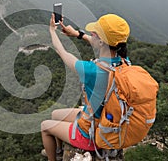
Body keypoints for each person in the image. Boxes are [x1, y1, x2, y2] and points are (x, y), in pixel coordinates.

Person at [41, 13, 130, 161]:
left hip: (91, 134)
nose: (91, 35)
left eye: (93, 34)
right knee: (55, 114)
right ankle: (57, 150)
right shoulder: (124, 62)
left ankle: (53, 157)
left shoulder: (92, 70)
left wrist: (51, 30)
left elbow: (61, 51)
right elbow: (101, 44)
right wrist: (77, 34)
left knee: (45, 126)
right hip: (106, 120)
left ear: (101, 42)